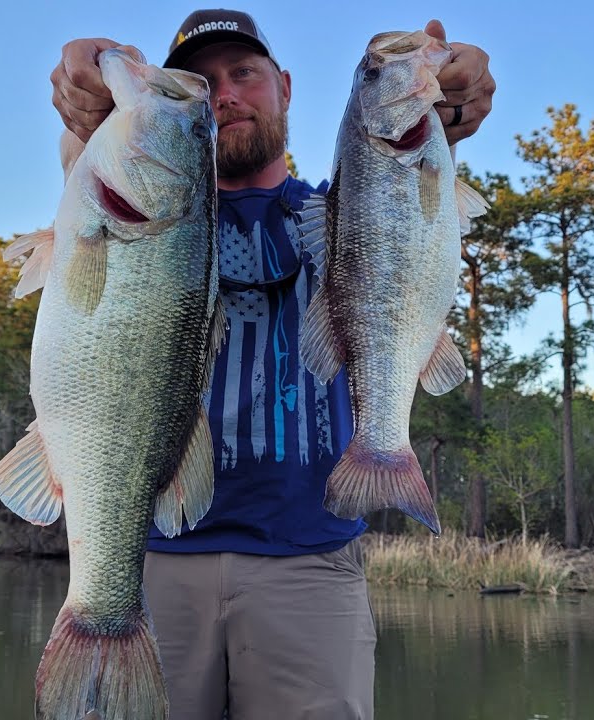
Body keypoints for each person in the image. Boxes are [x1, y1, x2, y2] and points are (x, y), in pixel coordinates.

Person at [50, 9, 495, 719]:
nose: (223, 94)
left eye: (244, 74)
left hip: (312, 561)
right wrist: (87, 87)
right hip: (154, 551)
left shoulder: (342, 207)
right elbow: (87, 155)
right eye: (199, 83)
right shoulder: (137, 196)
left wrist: (451, 95)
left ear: (284, 87)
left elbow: (405, 204)